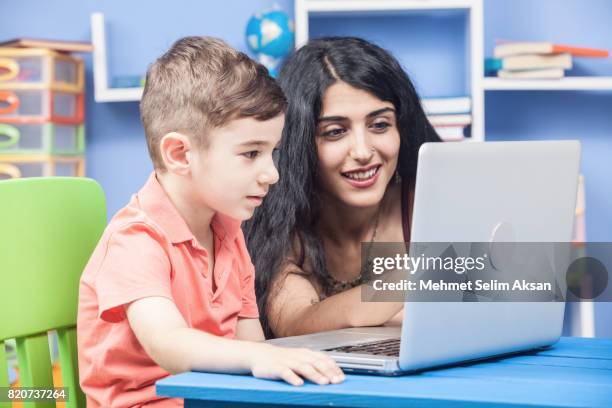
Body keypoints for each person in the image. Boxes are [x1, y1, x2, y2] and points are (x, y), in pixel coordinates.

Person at [77, 36, 344, 408]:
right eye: (251, 153)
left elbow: (250, 343)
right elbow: (169, 344)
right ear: (180, 154)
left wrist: (271, 361)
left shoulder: (230, 233)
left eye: (272, 153)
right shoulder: (134, 240)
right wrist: (259, 358)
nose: (272, 174)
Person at [245, 37, 442, 339]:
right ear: (299, 144)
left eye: (379, 125)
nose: (362, 152)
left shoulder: (427, 202)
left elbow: (514, 284)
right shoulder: (280, 219)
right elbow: (296, 324)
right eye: (335, 132)